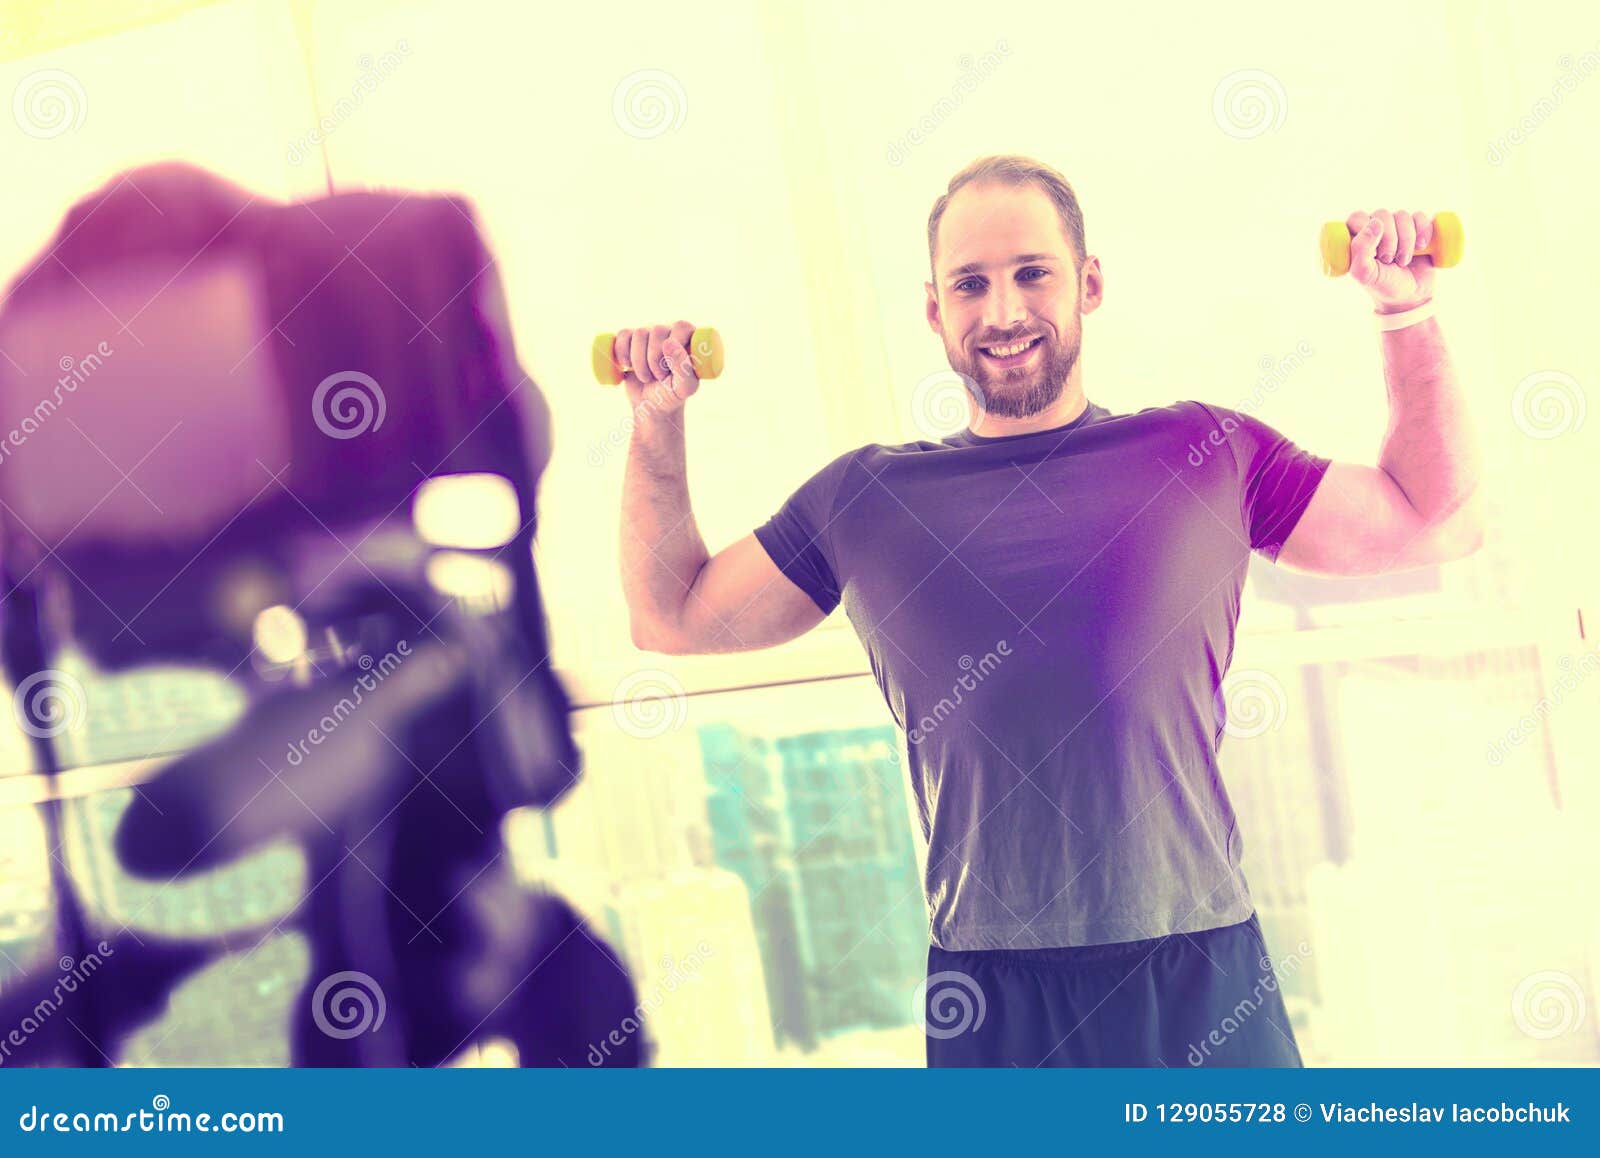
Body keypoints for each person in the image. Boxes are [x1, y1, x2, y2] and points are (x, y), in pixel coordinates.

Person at [614, 154, 1485, 1067]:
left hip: (1200, 974)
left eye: (1033, 272)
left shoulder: (1204, 451)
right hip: (994, 1004)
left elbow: (1436, 520)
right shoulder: (865, 500)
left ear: (1089, 283)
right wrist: (654, 420)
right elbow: (670, 617)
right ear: (934, 310)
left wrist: (1406, 309)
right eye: (971, 284)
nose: (1003, 311)